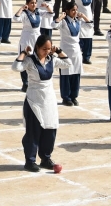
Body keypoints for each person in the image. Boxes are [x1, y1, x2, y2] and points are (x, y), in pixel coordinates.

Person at [11, 35, 71, 172]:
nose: (47, 51)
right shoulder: (30, 61)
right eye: (44, 49)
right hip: (34, 100)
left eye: (49, 49)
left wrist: (58, 51)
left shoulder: (52, 59)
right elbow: (16, 67)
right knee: (33, 131)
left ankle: (45, 158)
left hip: (49, 100)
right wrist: (24, 52)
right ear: (37, 47)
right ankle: (30, 161)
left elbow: (68, 63)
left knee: (50, 129)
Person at [53, 2, 91, 106]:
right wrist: (61, 17)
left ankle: (74, 96)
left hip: (76, 51)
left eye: (76, 10)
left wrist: (83, 16)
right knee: (66, 74)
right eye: (73, 10)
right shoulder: (63, 22)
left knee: (76, 74)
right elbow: (54, 25)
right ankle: (66, 97)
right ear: (67, 11)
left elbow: (89, 26)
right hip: (66, 51)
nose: (75, 12)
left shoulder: (78, 21)